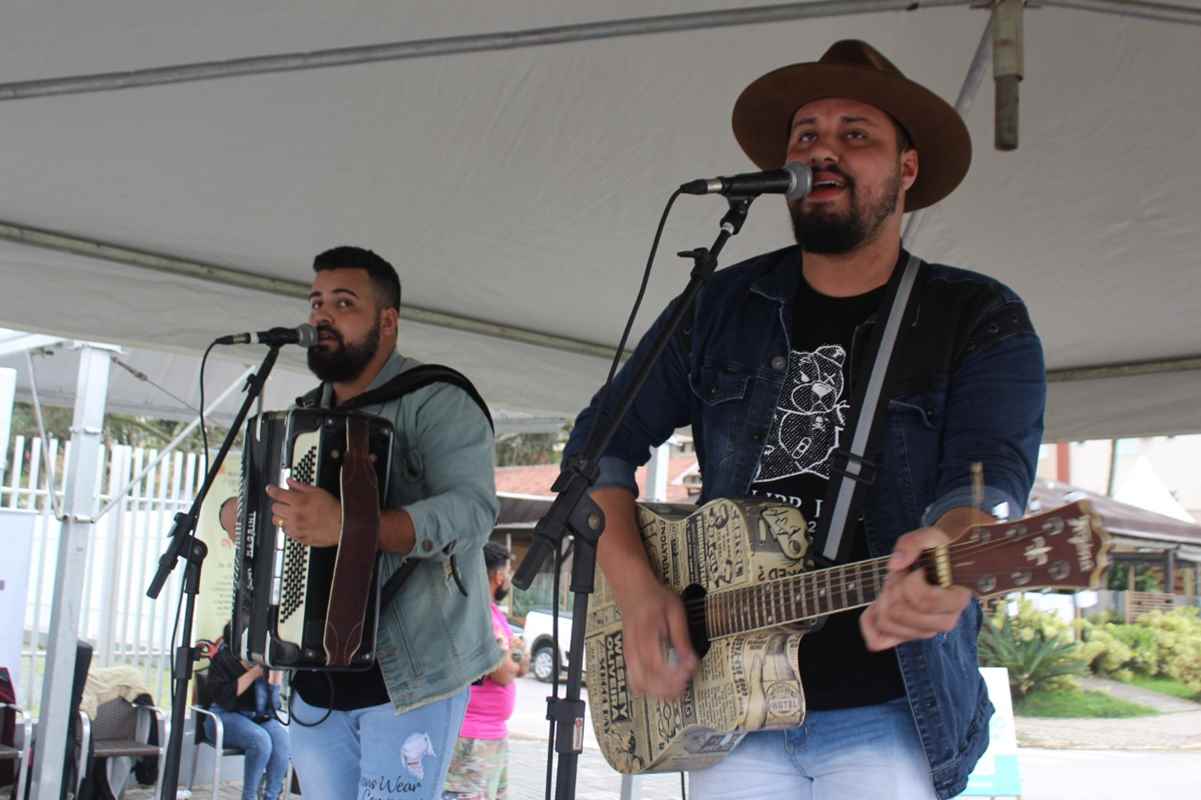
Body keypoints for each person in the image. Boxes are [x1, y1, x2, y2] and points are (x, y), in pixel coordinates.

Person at [562, 40, 1045, 800]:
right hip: (726, 705)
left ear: (906, 171)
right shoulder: (718, 305)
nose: (823, 151)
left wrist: (955, 546)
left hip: (888, 712)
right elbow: (597, 447)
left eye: (855, 134)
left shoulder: (974, 315)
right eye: (805, 136)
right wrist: (637, 590)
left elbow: (990, 478)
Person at [266, 246, 502, 800]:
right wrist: (252, 514)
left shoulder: (439, 399)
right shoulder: (304, 414)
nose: (321, 315)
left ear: (387, 321)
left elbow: (472, 514)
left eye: (344, 303)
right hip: (315, 680)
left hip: (412, 678)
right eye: (317, 301)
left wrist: (352, 527)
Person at [442, 543, 528, 800]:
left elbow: (521, 665)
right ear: (498, 576)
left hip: (493, 738)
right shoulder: (476, 615)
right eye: (509, 573)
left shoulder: (494, 615)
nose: (509, 580)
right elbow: (502, 673)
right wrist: (510, 658)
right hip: (471, 739)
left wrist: (510, 658)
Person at [203, 624, 290, 800]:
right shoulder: (222, 661)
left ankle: (271, 796)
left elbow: (273, 708)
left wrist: (274, 682)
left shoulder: (263, 662)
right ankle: (249, 796)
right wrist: (251, 675)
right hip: (222, 717)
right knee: (260, 740)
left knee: (282, 741)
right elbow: (224, 699)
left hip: (257, 718)